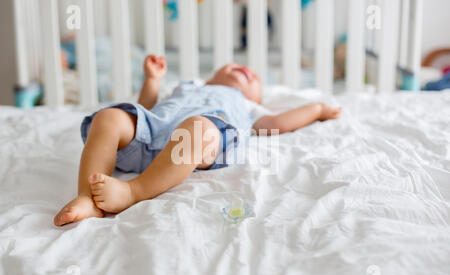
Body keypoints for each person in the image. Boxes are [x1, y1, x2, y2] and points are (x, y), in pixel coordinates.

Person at [54, 55, 341, 226]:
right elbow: (147, 109)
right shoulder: (187, 86)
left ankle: (133, 191)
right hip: (151, 133)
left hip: (192, 147)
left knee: (200, 127)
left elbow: (278, 123)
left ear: (257, 97)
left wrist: (316, 110)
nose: (247, 71)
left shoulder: (247, 106)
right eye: (237, 66)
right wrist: (152, 81)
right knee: (110, 116)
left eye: (254, 79)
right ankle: (86, 196)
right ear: (212, 75)